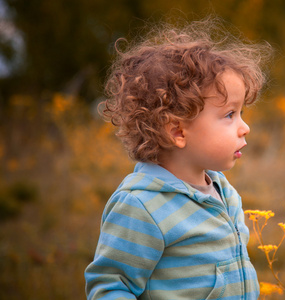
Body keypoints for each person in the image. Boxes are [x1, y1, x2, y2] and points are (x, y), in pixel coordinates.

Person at [85, 18, 271, 299]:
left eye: (241, 113)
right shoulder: (141, 205)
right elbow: (111, 286)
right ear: (177, 132)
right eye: (230, 115)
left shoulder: (225, 193)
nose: (245, 127)